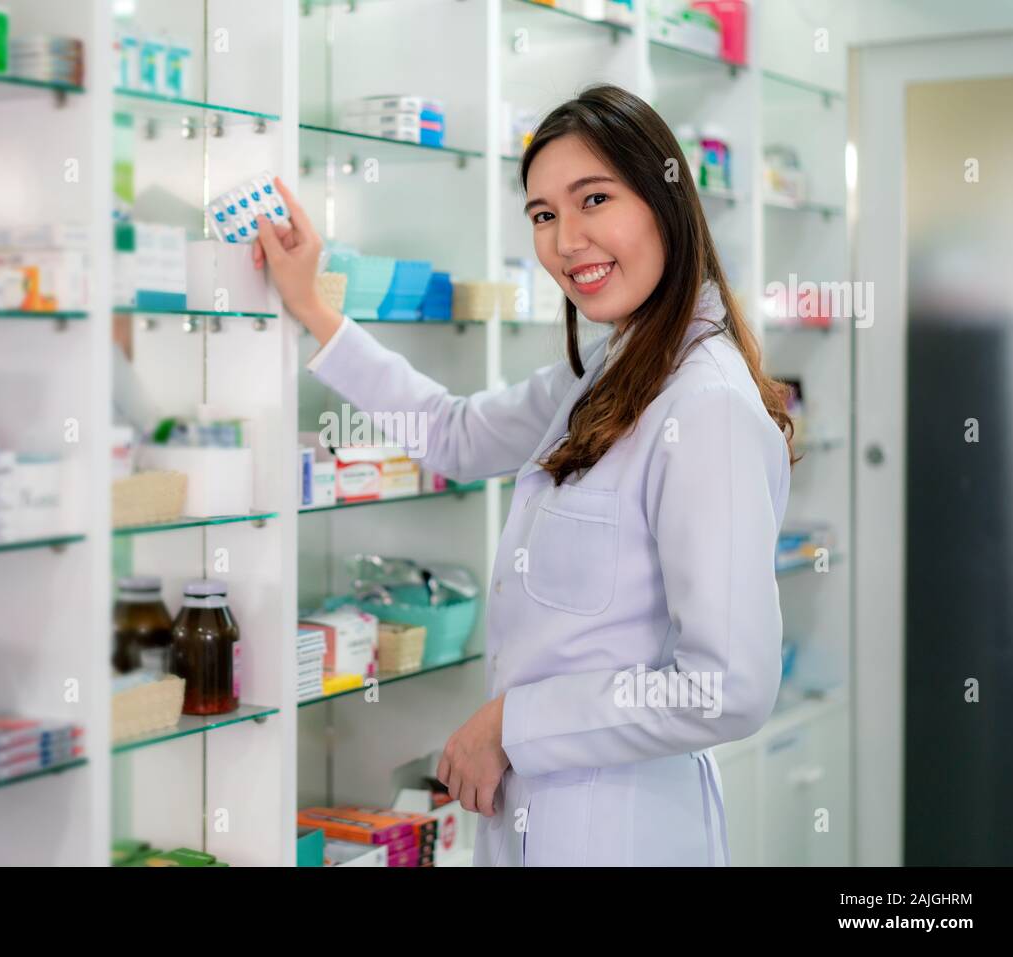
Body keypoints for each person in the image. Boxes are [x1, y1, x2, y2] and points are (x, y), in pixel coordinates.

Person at [254, 84, 797, 866]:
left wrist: (514, 723)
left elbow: (729, 686)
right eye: (543, 214)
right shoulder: (611, 367)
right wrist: (313, 308)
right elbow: (452, 434)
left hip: (624, 828)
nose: (567, 240)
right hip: (539, 816)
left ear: (665, 202)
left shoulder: (704, 404)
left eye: (594, 199)